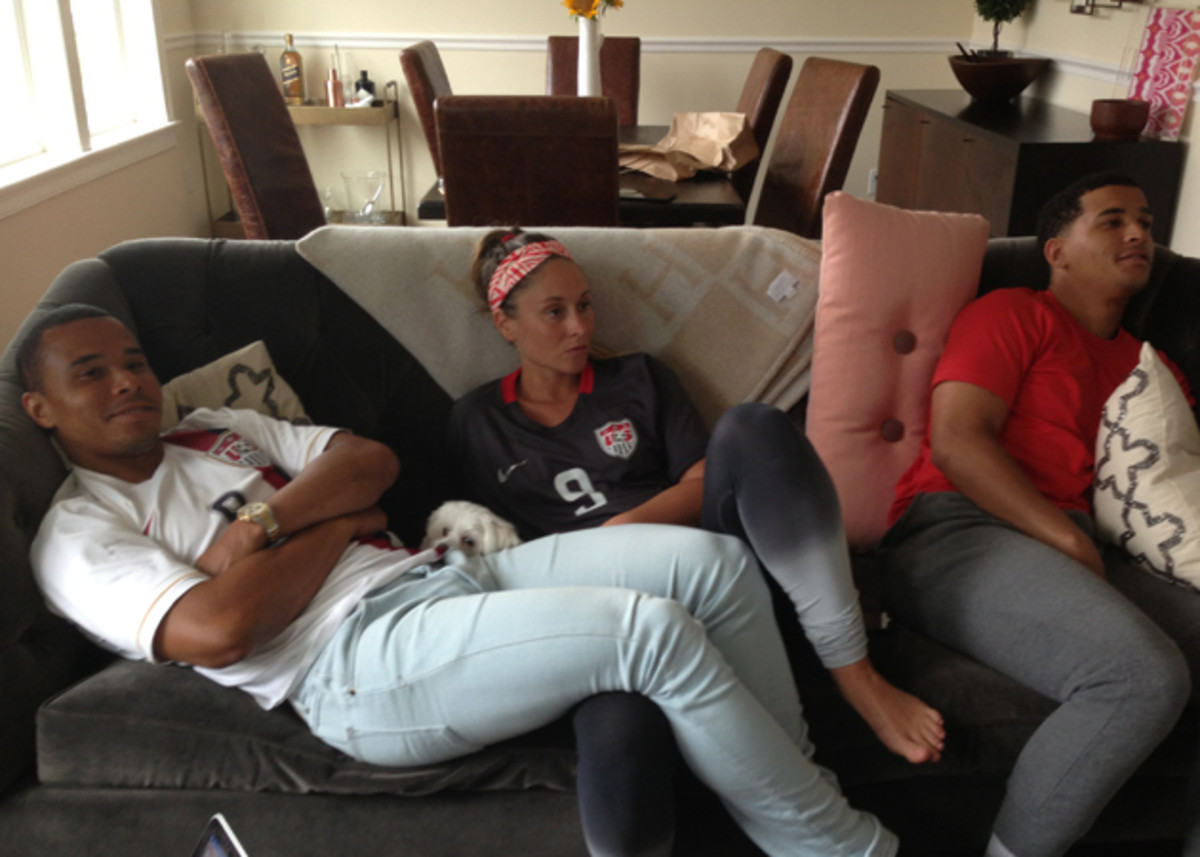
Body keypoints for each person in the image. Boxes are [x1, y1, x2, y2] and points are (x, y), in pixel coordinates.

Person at [20, 303, 901, 857]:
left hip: (448, 572)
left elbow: (370, 462)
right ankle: (836, 845)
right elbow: (221, 629)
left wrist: (270, 525)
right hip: (356, 662)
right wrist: (339, 521)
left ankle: (790, 776)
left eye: (133, 360)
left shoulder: (212, 427)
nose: (129, 381)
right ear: (40, 408)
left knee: (709, 563)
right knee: (652, 629)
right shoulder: (78, 532)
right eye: (91, 373)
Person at [449, 230, 946, 766]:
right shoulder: (477, 421)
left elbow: (702, 479)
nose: (579, 327)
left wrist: (627, 528)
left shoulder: (638, 377)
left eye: (585, 305)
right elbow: (484, 546)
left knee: (753, 426)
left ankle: (857, 676)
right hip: (596, 605)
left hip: (708, 566)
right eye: (554, 312)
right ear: (506, 324)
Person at [880, 171, 1200, 857]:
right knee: (1139, 676)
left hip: (1088, 546)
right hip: (958, 532)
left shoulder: (1150, 368)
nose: (1139, 232)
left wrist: (1080, 545)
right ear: (1056, 250)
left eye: (1145, 220)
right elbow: (958, 440)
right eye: (1112, 220)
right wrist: (1065, 538)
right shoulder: (1013, 313)